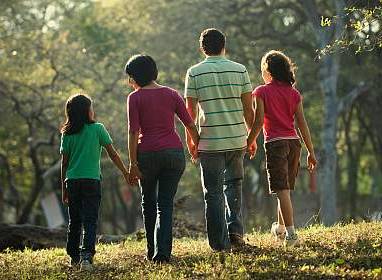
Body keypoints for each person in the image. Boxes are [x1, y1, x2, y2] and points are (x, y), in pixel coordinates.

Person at [184, 28, 255, 251]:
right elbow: (248, 110)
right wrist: (250, 137)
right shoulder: (240, 70)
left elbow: (189, 114)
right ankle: (236, 235)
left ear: (202, 48)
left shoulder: (194, 73)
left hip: (210, 142)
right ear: (224, 45)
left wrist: (192, 141)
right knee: (234, 187)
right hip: (236, 140)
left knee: (212, 193)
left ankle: (219, 243)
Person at [125, 54, 199, 263]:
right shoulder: (172, 94)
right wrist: (196, 147)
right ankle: (163, 253)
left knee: (149, 202)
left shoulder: (135, 98)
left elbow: (133, 132)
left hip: (146, 156)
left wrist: (133, 164)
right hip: (173, 155)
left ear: (135, 77)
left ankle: (151, 251)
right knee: (165, 204)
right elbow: (190, 125)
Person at [247, 50, 317, 247]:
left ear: (268, 71)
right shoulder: (294, 93)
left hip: (276, 144)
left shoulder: (261, 91)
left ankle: (292, 235)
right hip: (295, 144)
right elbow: (302, 124)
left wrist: (249, 141)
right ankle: (279, 227)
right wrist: (311, 152)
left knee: (282, 190)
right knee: (284, 189)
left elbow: (259, 121)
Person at [60, 93, 130, 271]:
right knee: (90, 220)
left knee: (74, 221)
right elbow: (113, 154)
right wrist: (125, 172)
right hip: (91, 181)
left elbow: (65, 163)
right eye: (91, 106)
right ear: (86, 111)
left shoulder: (67, 134)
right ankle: (86, 258)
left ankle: (73, 257)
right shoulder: (98, 129)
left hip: (72, 181)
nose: (93, 109)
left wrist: (64, 188)